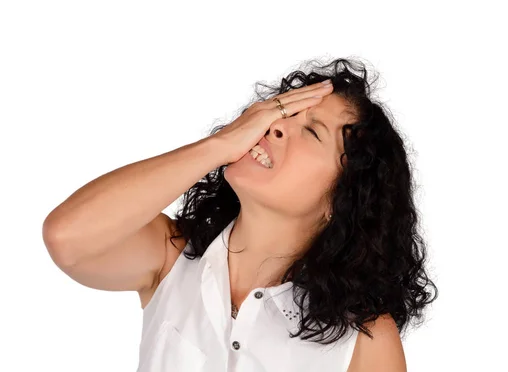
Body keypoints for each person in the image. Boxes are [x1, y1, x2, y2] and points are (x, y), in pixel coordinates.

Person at [42, 57, 438, 371]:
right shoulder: (170, 257)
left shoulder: (364, 340)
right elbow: (67, 237)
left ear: (346, 198)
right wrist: (221, 145)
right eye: (281, 113)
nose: (274, 127)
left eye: (312, 131)